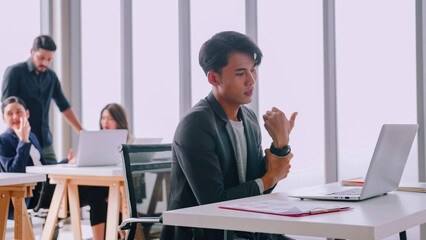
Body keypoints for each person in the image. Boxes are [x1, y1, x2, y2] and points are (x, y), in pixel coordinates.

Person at [161, 31, 297, 240]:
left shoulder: (249, 120)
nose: (251, 80)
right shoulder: (196, 125)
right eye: (240, 73)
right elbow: (214, 202)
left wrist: (281, 144)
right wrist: (269, 179)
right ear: (213, 78)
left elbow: (259, 187)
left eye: (253, 70)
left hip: (246, 231)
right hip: (207, 234)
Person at [0, 96, 108, 240]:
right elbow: (14, 173)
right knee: (99, 187)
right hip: (33, 194)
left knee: (98, 192)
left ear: (27, 113)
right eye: (9, 113)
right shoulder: (4, 141)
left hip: (48, 186)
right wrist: (23, 141)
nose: (15, 116)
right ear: (3, 118)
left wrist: (66, 162)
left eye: (18, 111)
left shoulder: (32, 136)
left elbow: (42, 166)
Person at [2, 35, 83, 163]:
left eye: (49, 59)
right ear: (31, 52)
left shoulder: (51, 77)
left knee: (57, 176)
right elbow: (7, 107)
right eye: (41, 58)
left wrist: (82, 132)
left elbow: (64, 106)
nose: (45, 63)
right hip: (21, 139)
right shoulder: (15, 72)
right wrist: (20, 138)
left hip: (45, 140)